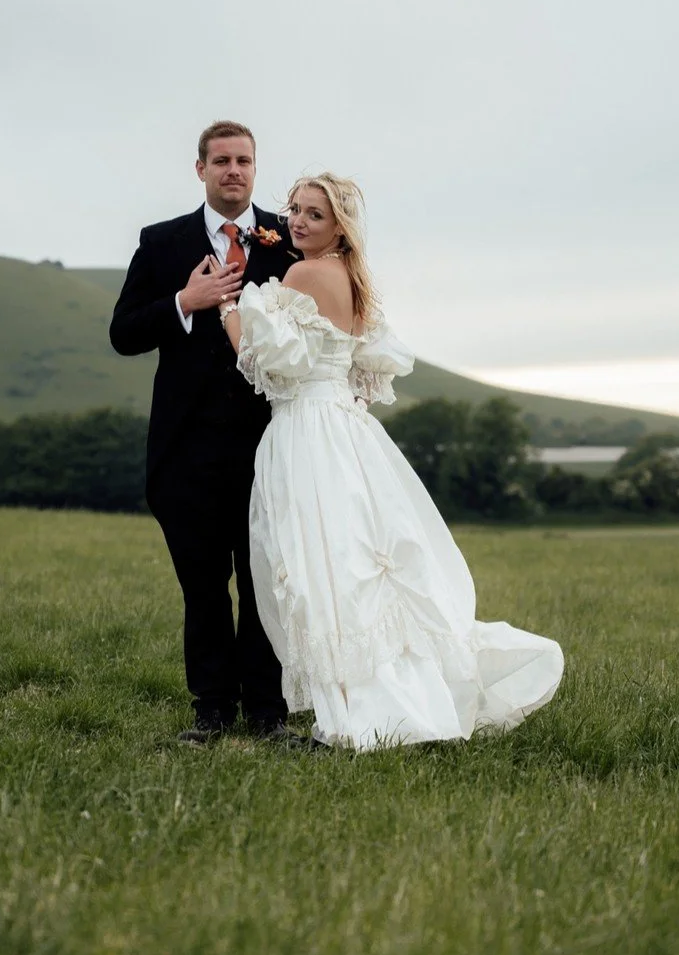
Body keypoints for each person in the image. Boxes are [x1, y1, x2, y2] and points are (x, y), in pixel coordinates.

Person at [214, 172, 563, 750]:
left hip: (307, 431)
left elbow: (268, 363)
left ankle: (357, 719)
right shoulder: (351, 278)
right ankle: (379, 706)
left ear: (339, 227)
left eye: (314, 215)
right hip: (345, 430)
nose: (297, 221)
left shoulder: (302, 273)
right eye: (295, 209)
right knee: (351, 565)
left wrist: (229, 307)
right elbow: (359, 372)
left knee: (322, 570)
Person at [109, 120, 297, 744]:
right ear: (201, 170)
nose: (233, 170)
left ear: (254, 167)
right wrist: (184, 302)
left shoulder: (287, 241)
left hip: (271, 447)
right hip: (187, 449)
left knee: (264, 582)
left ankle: (268, 715)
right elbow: (124, 332)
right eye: (221, 161)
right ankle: (212, 711)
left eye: (244, 160)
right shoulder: (162, 243)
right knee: (204, 587)